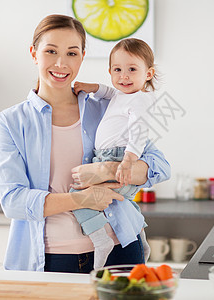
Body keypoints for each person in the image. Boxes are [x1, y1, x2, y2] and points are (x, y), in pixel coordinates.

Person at [0, 14, 170, 273]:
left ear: (83, 56)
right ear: (34, 54)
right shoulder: (11, 121)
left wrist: (106, 171)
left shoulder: (107, 108)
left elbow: (160, 166)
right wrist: (83, 199)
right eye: (51, 51)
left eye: (72, 53)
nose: (61, 63)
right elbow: (13, 201)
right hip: (52, 258)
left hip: (120, 247)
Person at [70, 38, 158, 269]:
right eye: (117, 70)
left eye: (132, 70)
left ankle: (100, 241)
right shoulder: (121, 94)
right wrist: (93, 87)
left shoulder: (140, 99)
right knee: (124, 201)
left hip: (119, 157)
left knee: (78, 195)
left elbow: (139, 132)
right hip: (109, 156)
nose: (124, 76)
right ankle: (141, 239)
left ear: (148, 73)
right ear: (110, 71)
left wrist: (128, 160)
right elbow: (109, 92)